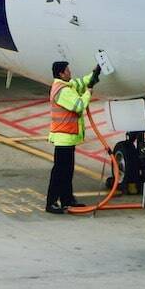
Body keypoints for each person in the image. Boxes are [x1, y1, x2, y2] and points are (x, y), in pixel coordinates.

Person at [45, 60, 100, 214]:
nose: (70, 72)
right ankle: (51, 203)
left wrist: (95, 73)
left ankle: (67, 199)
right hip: (64, 138)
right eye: (67, 70)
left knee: (67, 171)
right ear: (61, 74)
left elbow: (81, 82)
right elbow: (79, 106)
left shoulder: (66, 85)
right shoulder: (62, 91)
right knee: (60, 172)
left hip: (68, 139)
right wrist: (88, 93)